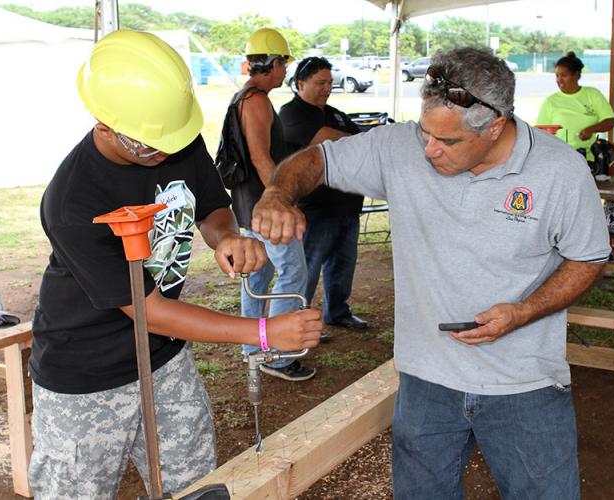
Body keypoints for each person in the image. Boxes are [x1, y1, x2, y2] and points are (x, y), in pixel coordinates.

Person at [251, 46, 611, 499]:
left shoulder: (559, 171)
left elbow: (589, 258)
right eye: (425, 132)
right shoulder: (401, 146)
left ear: (496, 125)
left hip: (524, 382)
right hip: (426, 380)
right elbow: (316, 160)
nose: (429, 149)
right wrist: (279, 193)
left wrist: (523, 312)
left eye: (448, 141)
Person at [28, 30, 321, 499]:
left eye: (169, 141)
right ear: (104, 124)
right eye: (148, 146)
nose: (163, 154)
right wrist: (264, 334)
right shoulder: (73, 199)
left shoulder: (171, 137)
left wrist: (226, 235)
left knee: (194, 485)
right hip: (85, 378)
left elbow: (211, 204)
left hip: (163, 359)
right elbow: (150, 310)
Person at [230, 28, 316, 381]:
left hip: (249, 203)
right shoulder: (257, 101)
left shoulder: (244, 97)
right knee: (293, 272)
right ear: (275, 64)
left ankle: (256, 348)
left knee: (259, 274)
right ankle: (279, 354)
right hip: (264, 206)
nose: (285, 73)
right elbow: (261, 157)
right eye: (284, 64)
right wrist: (283, 202)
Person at [279, 57, 368, 331]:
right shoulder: (291, 113)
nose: (327, 88)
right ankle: (297, 322)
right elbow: (328, 137)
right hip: (316, 209)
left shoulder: (336, 113)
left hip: (348, 205)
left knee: (343, 265)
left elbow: (358, 139)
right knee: (306, 270)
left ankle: (337, 312)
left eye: (329, 82)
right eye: (320, 82)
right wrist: (360, 139)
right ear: (300, 83)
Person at [536, 51, 614, 160]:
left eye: (564, 75)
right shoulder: (550, 102)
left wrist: (591, 129)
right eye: (557, 75)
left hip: (588, 160)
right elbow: (540, 134)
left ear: (577, 75)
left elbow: (610, 122)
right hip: (559, 159)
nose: (559, 80)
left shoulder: (592, 94)